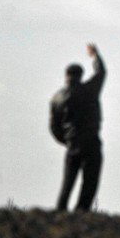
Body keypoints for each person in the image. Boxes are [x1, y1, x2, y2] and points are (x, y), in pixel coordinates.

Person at [50, 44, 107, 211]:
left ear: (66, 76)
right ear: (81, 76)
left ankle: (60, 212)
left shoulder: (57, 98)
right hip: (91, 142)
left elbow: (54, 127)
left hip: (72, 144)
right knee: (89, 184)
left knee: (67, 185)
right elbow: (101, 73)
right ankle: (81, 212)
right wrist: (95, 56)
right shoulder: (90, 90)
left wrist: (67, 141)